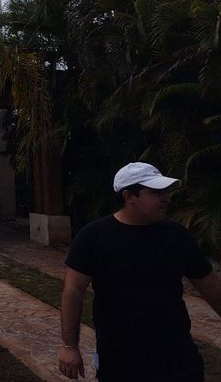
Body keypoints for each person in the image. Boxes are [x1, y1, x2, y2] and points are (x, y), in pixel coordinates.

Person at [58, 162, 221, 381]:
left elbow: (209, 284)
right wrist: (70, 346)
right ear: (129, 196)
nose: (166, 198)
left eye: (166, 192)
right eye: (156, 192)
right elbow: (73, 290)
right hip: (120, 358)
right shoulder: (94, 237)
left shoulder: (176, 235)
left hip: (177, 355)